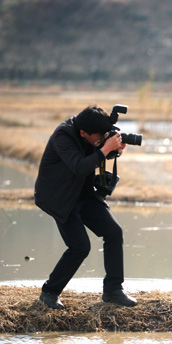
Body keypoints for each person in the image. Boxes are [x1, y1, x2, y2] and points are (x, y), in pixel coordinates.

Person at [35, 105, 138, 309]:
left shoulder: (90, 130)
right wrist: (105, 148)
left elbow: (96, 152)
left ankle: (113, 291)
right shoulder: (62, 136)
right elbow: (80, 166)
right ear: (83, 133)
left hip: (83, 192)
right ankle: (49, 292)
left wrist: (113, 150)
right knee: (80, 247)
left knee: (114, 232)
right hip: (59, 197)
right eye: (99, 138)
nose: (101, 140)